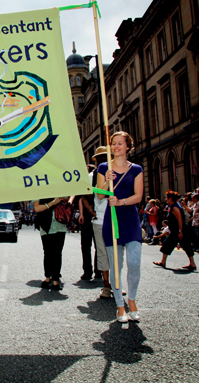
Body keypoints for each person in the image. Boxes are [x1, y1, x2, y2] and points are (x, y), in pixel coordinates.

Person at [97, 131, 144, 323]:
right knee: (116, 266)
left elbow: (138, 196)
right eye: (113, 144)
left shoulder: (136, 169)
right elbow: (100, 196)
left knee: (134, 263)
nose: (116, 147)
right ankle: (119, 306)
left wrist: (121, 201)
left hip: (130, 220)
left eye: (120, 143)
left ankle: (131, 300)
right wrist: (107, 180)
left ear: (127, 146)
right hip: (112, 220)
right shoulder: (103, 167)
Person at [87, 146, 113, 298]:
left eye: (105, 157)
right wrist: (91, 210)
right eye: (100, 158)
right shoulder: (92, 176)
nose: (103, 160)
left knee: (116, 254)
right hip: (100, 219)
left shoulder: (118, 171)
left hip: (116, 218)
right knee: (102, 253)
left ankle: (117, 283)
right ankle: (106, 285)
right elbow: (90, 195)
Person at [33, 197, 71, 290]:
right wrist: (52, 203)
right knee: (48, 252)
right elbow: (37, 208)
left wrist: (68, 202)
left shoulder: (59, 186)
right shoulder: (37, 189)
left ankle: (55, 281)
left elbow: (69, 194)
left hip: (60, 222)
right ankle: (47, 278)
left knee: (57, 253)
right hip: (46, 224)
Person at [153, 190, 197, 271]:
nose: (166, 199)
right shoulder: (174, 206)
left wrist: (180, 232)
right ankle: (163, 262)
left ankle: (192, 264)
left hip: (178, 231)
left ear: (170, 198)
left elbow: (180, 220)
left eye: (167, 198)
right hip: (175, 231)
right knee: (172, 244)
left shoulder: (175, 207)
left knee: (184, 245)